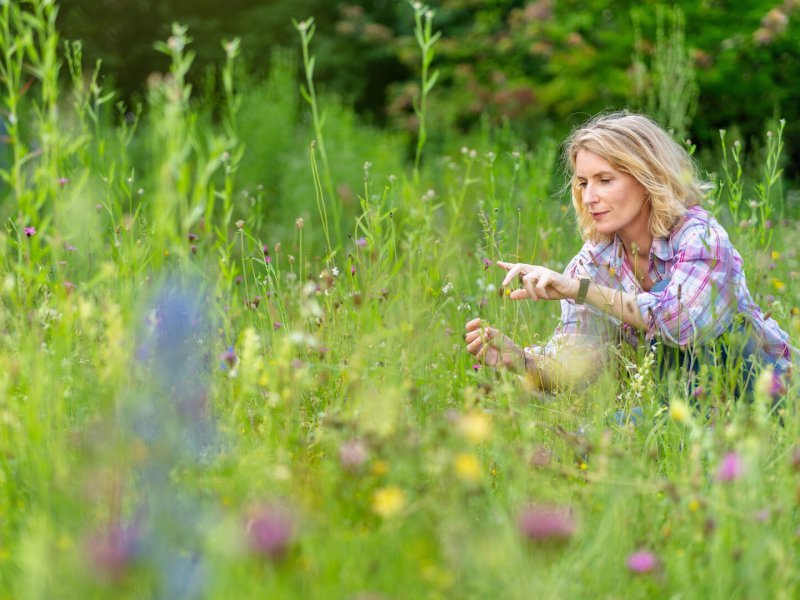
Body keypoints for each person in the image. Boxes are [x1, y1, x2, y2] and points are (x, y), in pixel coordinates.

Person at [464, 111, 794, 393]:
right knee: (605, 438)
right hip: (685, 403)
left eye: (605, 180)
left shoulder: (699, 235)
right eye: (583, 183)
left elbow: (684, 324)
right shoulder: (593, 261)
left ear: (647, 177)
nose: (590, 196)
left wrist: (581, 291)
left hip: (769, 391)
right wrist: (522, 361)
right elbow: (578, 365)